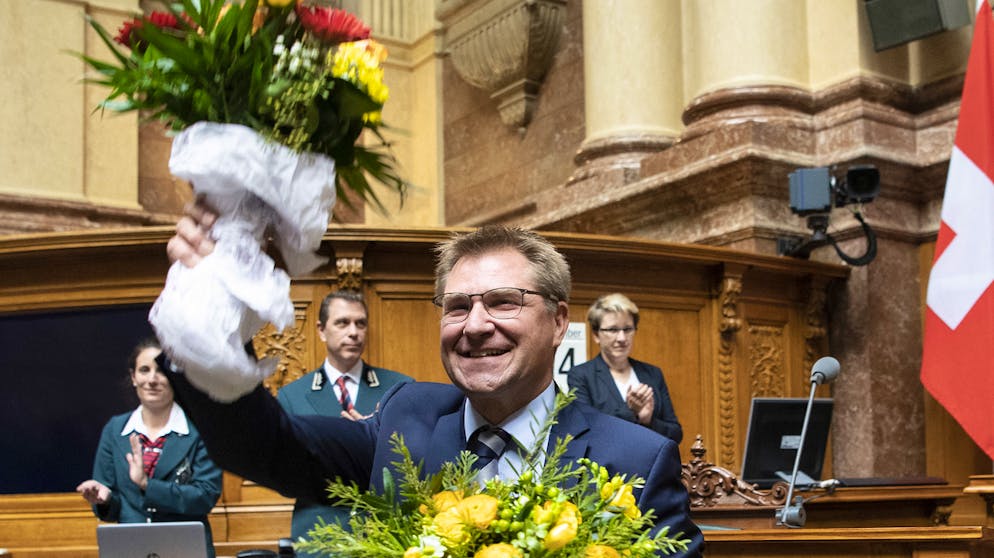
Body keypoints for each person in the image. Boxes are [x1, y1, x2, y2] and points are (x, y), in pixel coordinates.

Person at [164, 206, 703, 557]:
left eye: (503, 302)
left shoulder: (638, 460)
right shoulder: (407, 417)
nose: (474, 325)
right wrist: (212, 319)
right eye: (457, 306)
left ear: (560, 321)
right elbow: (268, 447)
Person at [277, 289, 413, 551]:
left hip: (384, 535)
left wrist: (375, 438)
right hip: (319, 535)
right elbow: (284, 478)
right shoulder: (292, 395)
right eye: (342, 323)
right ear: (321, 330)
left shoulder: (399, 388)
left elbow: (414, 466)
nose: (354, 332)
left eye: (360, 323)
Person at [76, 337, 223, 557]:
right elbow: (112, 510)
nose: (152, 379)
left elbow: (204, 498)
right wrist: (105, 499)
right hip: (131, 549)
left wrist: (147, 485)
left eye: (161, 371)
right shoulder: (115, 430)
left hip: (184, 549)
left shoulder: (199, 429)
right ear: (134, 377)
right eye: (144, 370)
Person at [568, 293, 683, 443]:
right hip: (606, 464)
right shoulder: (581, 375)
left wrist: (647, 420)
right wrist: (631, 411)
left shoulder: (652, 373)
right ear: (596, 335)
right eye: (613, 330)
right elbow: (586, 430)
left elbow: (676, 434)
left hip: (651, 463)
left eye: (627, 329)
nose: (622, 338)